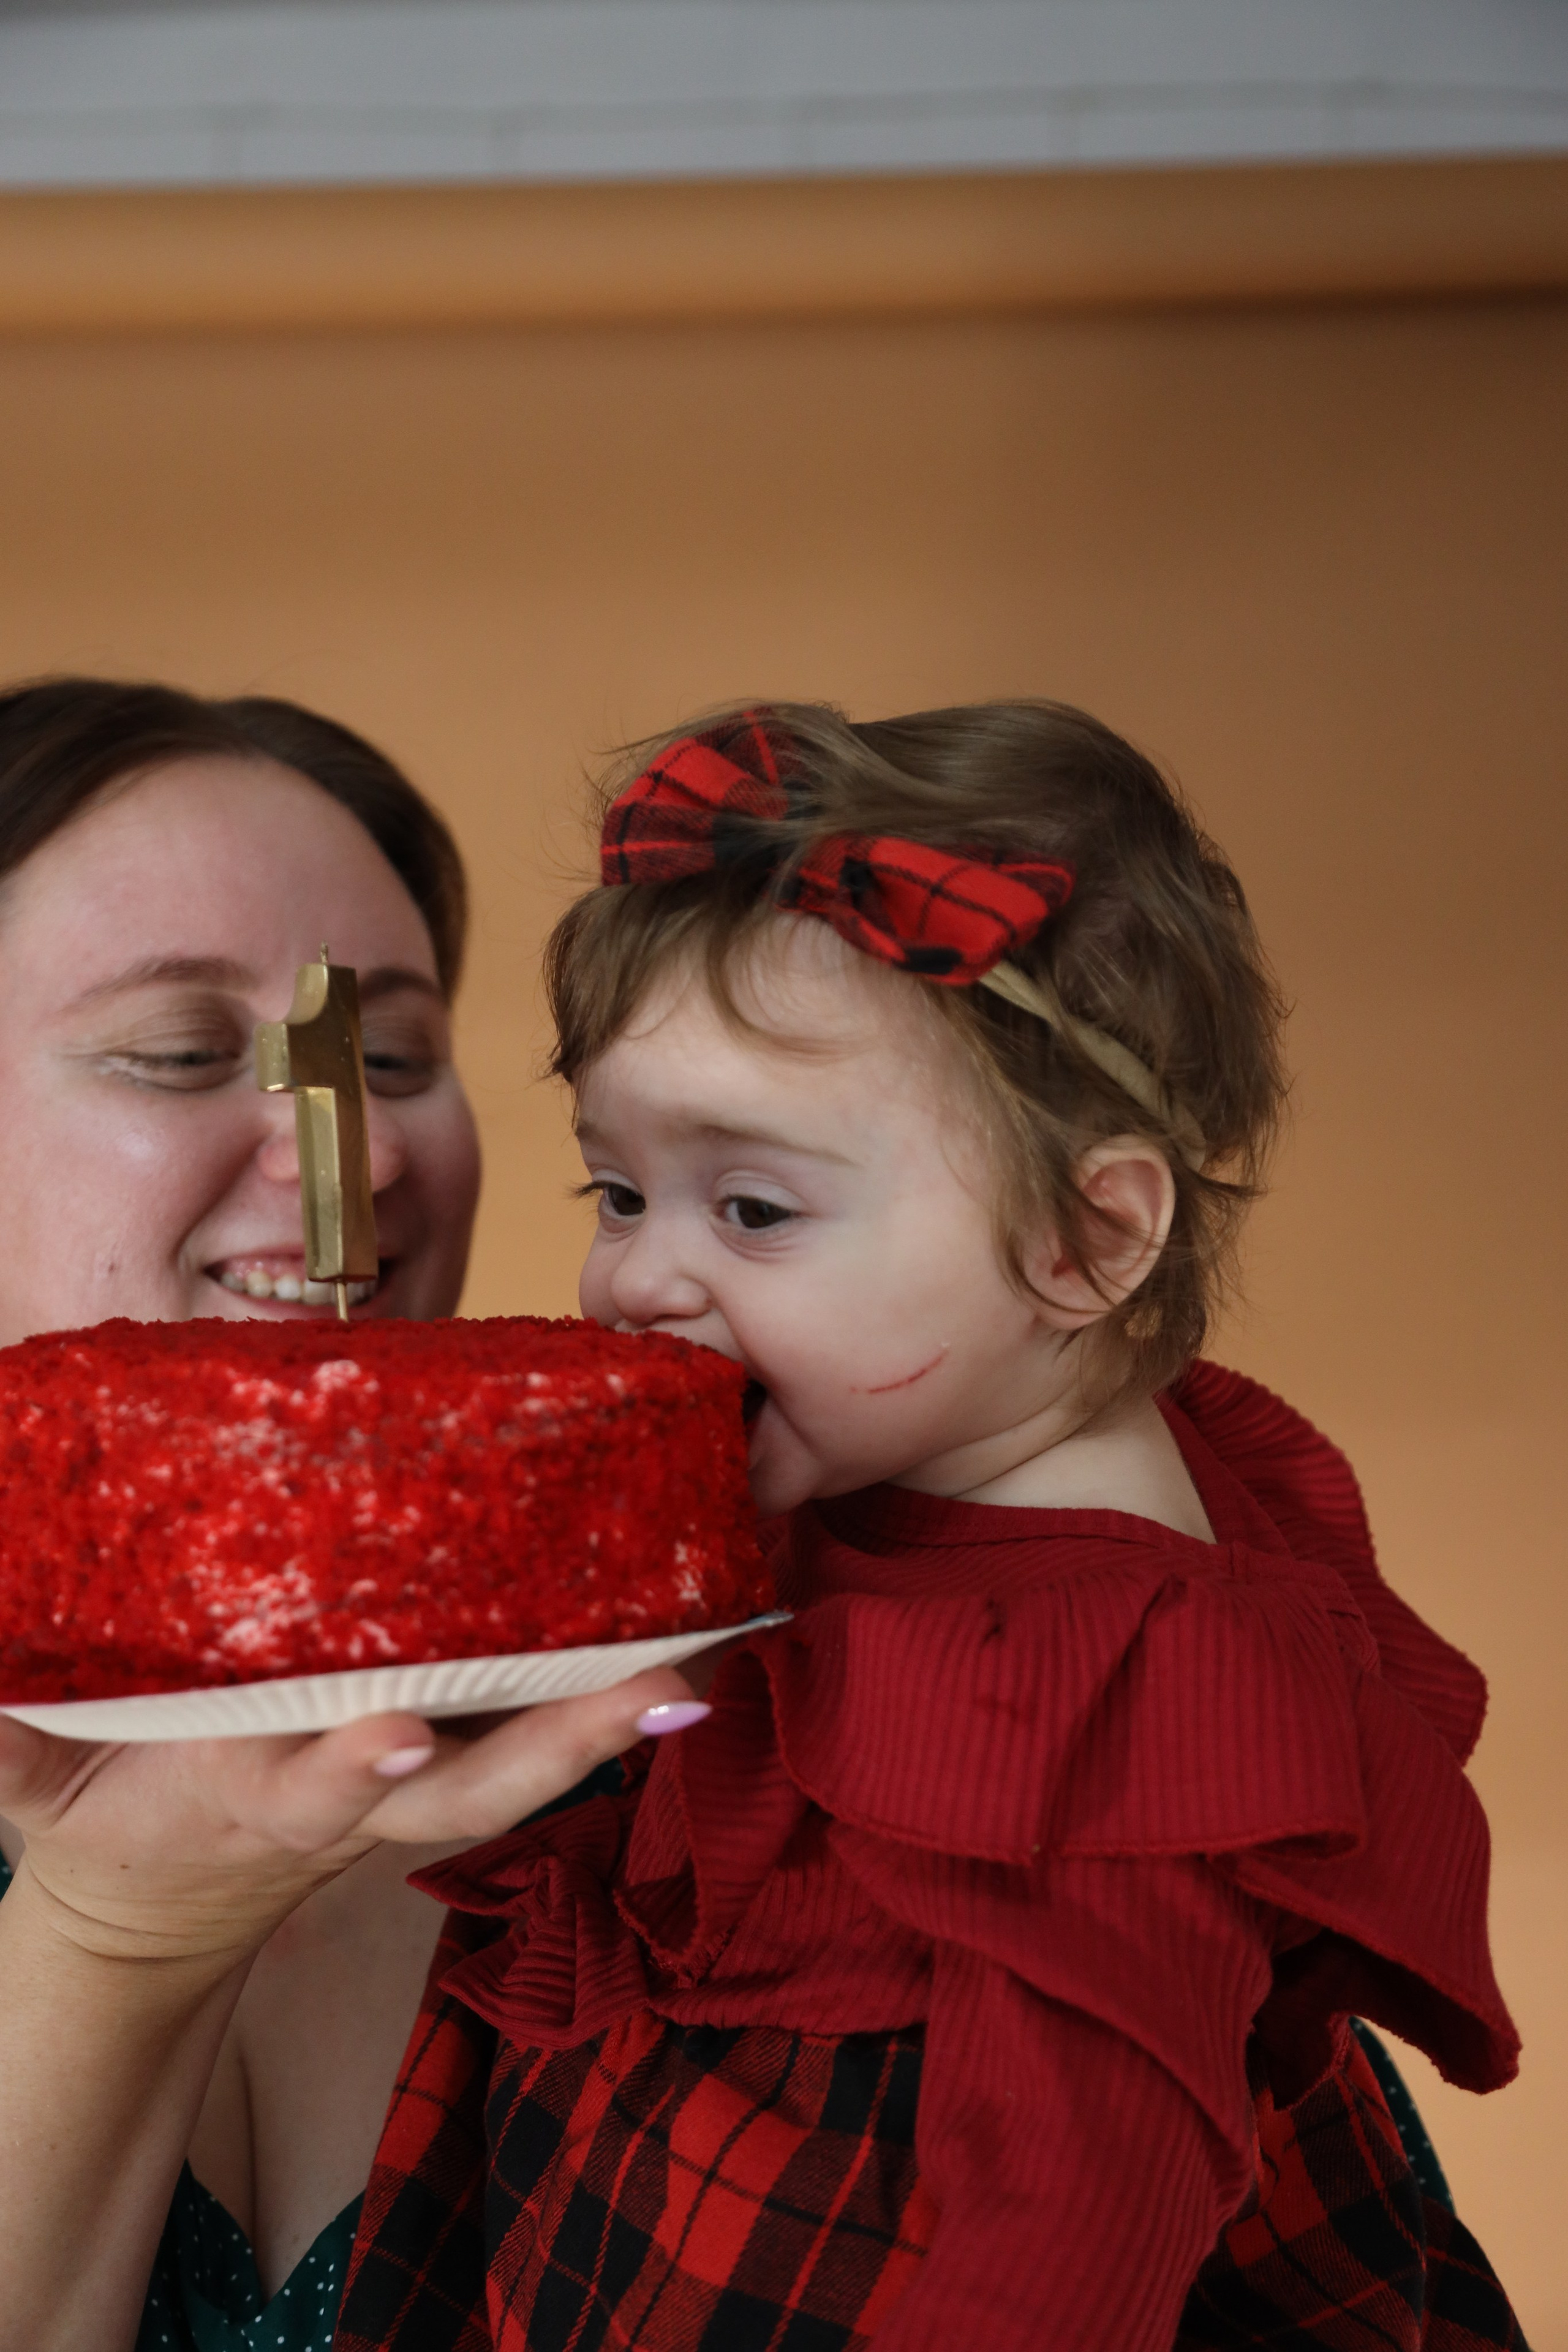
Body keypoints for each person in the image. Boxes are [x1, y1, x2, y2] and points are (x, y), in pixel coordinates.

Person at [334, 702, 1529, 2351]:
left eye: (753, 1208)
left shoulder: (1127, 1695)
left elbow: (1076, 2230)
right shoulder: (887, 1449)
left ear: (1087, 1240)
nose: (638, 1279)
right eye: (617, 1192)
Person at [0, 677, 707, 2352]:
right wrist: (118, 1937)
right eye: (179, 1052)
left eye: (392, 1055)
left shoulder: (745, 1752)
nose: (356, 1155)